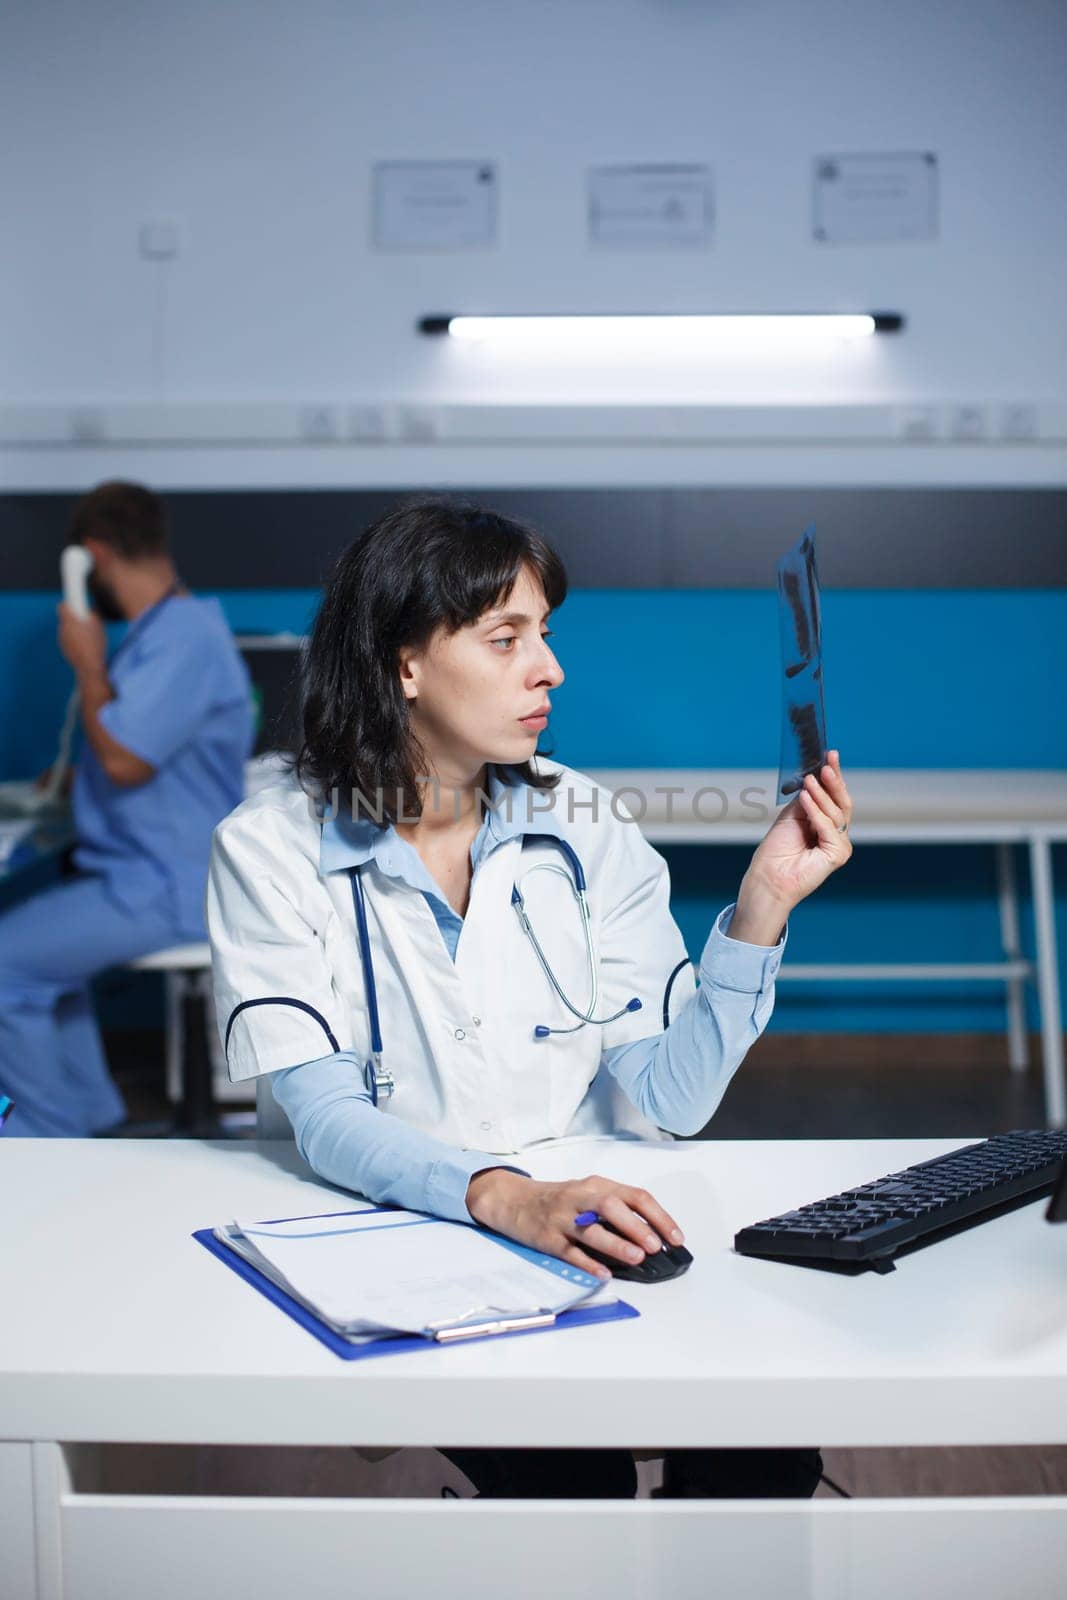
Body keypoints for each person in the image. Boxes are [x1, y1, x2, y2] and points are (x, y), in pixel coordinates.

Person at [207, 498, 854, 1498]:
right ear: (402, 663)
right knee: (568, 1476)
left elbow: (670, 1099)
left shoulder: (585, 822)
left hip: (576, 1218)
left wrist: (760, 908)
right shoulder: (270, 846)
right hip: (398, 1231)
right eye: (505, 637)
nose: (547, 667)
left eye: (543, 634)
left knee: (760, 1437)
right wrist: (503, 1195)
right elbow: (328, 1121)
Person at [0, 481, 254, 1136]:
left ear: (91, 557)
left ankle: (43, 1140)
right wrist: (74, 770)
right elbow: (138, 746)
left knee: (6, 962)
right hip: (146, 873)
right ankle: (90, 1119)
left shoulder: (181, 640)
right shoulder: (166, 635)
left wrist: (86, 664)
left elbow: (126, 761)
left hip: (167, 885)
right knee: (40, 960)